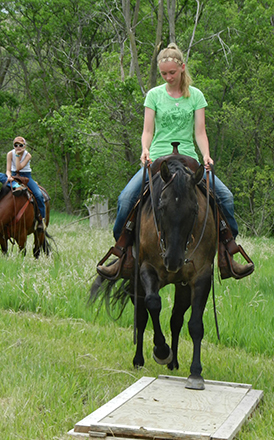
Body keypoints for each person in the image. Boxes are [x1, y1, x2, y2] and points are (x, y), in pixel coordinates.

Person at [98, 43, 253, 279]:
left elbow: (200, 132)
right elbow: (147, 130)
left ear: (182, 68)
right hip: (159, 160)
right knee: (126, 199)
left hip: (189, 159)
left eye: (172, 72)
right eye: (164, 74)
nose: (168, 77)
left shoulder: (196, 95)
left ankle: (228, 253)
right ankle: (122, 254)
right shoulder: (154, 95)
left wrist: (206, 155)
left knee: (226, 198)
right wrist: (145, 150)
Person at [1, 136, 46, 230]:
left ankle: (41, 219)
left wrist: (17, 155)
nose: (18, 147)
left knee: (38, 195)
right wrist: (9, 176)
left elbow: (18, 167)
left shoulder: (28, 155)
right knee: (1, 176)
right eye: (16, 145)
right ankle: (16, 185)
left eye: (20, 145)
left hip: (26, 177)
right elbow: (8, 170)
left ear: (24, 146)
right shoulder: (10, 154)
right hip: (14, 176)